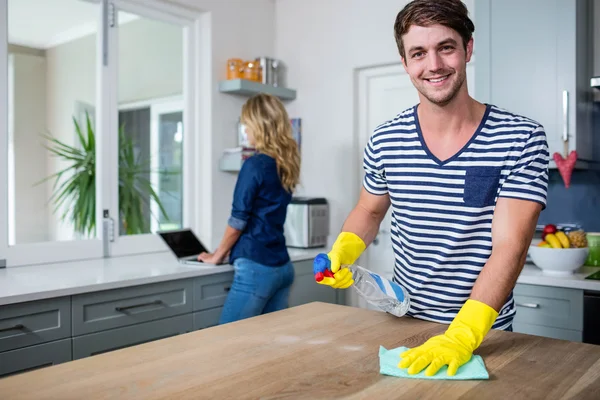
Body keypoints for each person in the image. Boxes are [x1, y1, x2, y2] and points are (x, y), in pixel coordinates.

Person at [315, 0, 549, 377]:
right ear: (405, 63)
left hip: (484, 332)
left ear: (468, 49)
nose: (434, 65)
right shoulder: (385, 139)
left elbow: (511, 246)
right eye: (419, 53)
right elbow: (370, 210)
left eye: (446, 47)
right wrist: (345, 247)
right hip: (403, 322)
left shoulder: (520, 138)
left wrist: (463, 334)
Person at [198, 93, 301, 324]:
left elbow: (238, 221)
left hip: (256, 268)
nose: (245, 131)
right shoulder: (285, 164)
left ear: (260, 125)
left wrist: (217, 256)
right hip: (282, 267)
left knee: (226, 342)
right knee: (269, 344)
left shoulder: (254, 165)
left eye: (247, 124)